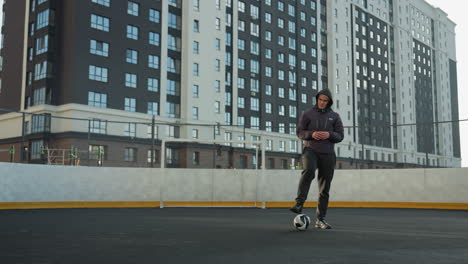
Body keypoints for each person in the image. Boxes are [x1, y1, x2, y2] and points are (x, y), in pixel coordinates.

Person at [290, 89, 344, 229]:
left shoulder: (335, 116)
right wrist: (312, 134)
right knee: (308, 171)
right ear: (317, 99)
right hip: (310, 150)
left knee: (324, 188)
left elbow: (340, 136)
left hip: (328, 154)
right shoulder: (308, 114)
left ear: (329, 102)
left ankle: (321, 219)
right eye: (320, 100)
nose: (322, 102)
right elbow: (300, 132)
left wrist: (329, 135)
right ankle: (299, 204)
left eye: (325, 101)